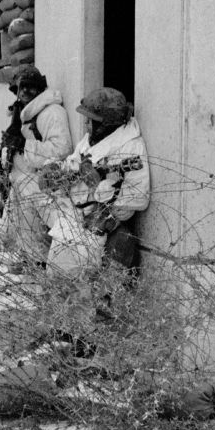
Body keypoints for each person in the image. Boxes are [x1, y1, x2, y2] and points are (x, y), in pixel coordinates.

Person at [38, 85, 150, 286]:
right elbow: (73, 164)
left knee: (81, 288)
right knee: (56, 282)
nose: (87, 124)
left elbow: (140, 197)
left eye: (92, 121)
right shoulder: (92, 139)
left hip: (99, 222)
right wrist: (56, 172)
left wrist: (101, 189)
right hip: (72, 219)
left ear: (107, 123)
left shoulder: (131, 146)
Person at [0, 66, 73, 272]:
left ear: (40, 88)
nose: (25, 92)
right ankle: (33, 270)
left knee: (55, 236)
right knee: (26, 236)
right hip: (22, 183)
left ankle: (50, 274)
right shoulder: (21, 115)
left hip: (41, 184)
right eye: (21, 88)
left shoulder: (51, 112)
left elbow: (62, 150)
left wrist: (24, 145)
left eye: (31, 87)